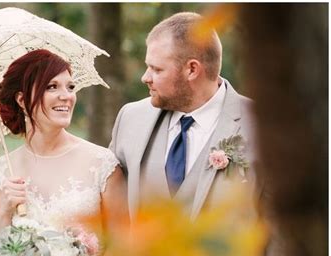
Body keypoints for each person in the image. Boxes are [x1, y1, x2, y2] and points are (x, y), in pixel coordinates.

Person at [109, 12, 260, 220]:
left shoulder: (260, 126)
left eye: (156, 69)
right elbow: (111, 213)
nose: (146, 77)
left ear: (192, 69)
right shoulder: (130, 119)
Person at [0, 49, 129, 243]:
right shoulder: (3, 170)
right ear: (21, 100)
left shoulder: (101, 163)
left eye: (70, 87)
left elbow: (122, 247)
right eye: (52, 87)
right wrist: (5, 211)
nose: (66, 96)